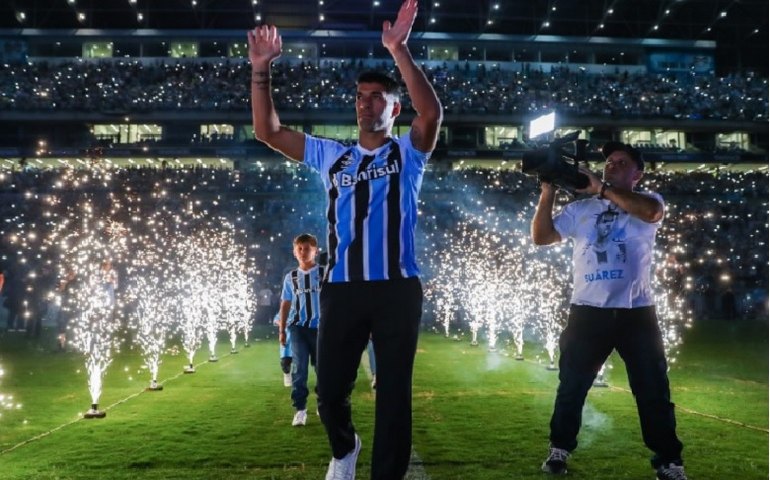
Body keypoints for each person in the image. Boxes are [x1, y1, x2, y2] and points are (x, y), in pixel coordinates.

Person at [248, 0, 442, 477]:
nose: (366, 101)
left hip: (397, 288)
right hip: (345, 289)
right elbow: (267, 131)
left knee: (394, 392)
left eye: (378, 96)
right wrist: (260, 71)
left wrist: (399, 50)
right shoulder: (332, 156)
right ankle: (345, 447)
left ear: (394, 107)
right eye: (361, 94)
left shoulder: (408, 153)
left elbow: (432, 111)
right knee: (329, 391)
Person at [531, 141, 687, 480]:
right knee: (572, 386)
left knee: (652, 391)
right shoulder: (582, 209)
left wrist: (603, 189)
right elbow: (542, 237)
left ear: (637, 174)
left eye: (620, 162)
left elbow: (651, 214)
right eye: (609, 162)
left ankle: (668, 459)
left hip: (636, 312)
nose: (611, 165)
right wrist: (548, 191)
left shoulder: (649, 202)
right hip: (588, 312)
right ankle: (559, 448)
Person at [277, 233, 324, 427]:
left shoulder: (325, 273)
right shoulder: (291, 277)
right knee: (299, 368)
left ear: (315, 250)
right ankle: (300, 409)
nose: (303, 252)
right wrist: (282, 329)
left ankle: (323, 405)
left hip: (322, 328)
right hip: (297, 328)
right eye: (300, 249)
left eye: (307, 248)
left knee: (323, 369)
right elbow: (285, 303)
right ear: (295, 252)